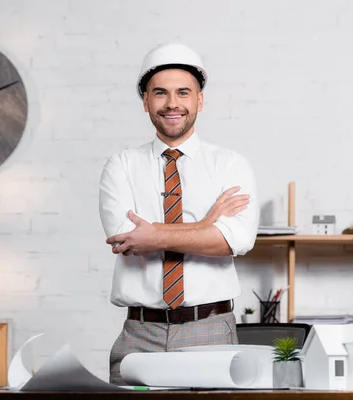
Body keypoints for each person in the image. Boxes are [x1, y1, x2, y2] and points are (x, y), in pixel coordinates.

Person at [98, 42, 260, 385]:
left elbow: (236, 241)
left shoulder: (230, 165)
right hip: (140, 333)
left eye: (183, 92)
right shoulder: (122, 165)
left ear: (199, 100)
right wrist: (206, 225)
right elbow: (128, 241)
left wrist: (155, 234)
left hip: (211, 330)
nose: (172, 103)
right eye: (160, 93)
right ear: (146, 102)